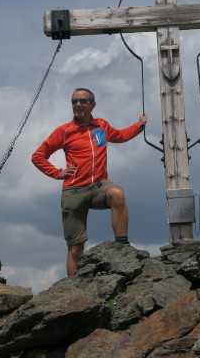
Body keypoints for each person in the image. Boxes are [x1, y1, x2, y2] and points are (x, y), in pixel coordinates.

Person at [31, 88, 147, 276]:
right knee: (76, 249)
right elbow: (38, 156)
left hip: (99, 186)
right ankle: (73, 290)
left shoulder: (101, 125)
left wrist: (140, 125)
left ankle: (123, 246)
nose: (78, 105)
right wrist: (57, 173)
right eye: (74, 102)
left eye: (83, 101)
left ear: (92, 104)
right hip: (74, 190)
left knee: (117, 193)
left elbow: (121, 136)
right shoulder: (64, 131)